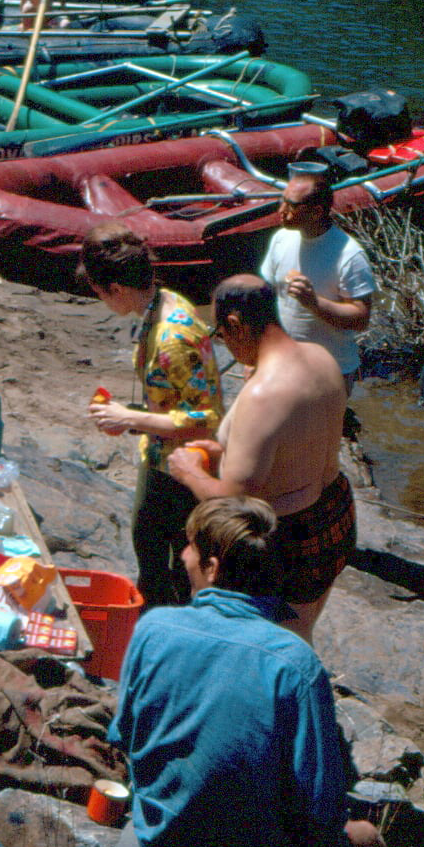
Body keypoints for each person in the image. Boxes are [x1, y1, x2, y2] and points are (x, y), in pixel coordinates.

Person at [111, 494, 391, 847]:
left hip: (161, 840)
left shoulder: (153, 627)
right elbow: (320, 810)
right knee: (366, 837)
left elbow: (124, 734)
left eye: (190, 548)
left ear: (214, 567)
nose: (182, 557)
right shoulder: (295, 665)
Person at [169, 275, 351, 643]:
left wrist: (189, 472)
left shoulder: (264, 393)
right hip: (334, 510)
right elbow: (292, 442)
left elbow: (236, 499)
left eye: (221, 334)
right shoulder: (321, 357)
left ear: (235, 324)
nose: (225, 344)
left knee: (274, 643)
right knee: (302, 631)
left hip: (286, 534)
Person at [80, 222, 222, 608]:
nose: (100, 299)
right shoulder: (162, 302)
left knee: (176, 565)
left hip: (184, 465)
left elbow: (204, 419)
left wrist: (129, 418)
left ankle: (163, 626)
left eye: (98, 292)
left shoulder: (172, 338)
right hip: (159, 453)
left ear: (117, 290)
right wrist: (131, 415)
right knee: (147, 545)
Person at [259, 165, 374, 392]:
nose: (281, 210)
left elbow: (361, 319)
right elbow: (266, 297)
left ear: (317, 211)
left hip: (330, 370)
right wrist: (257, 355)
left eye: (291, 205)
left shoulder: (349, 255)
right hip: (284, 362)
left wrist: (314, 303)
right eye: (281, 201)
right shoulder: (281, 239)